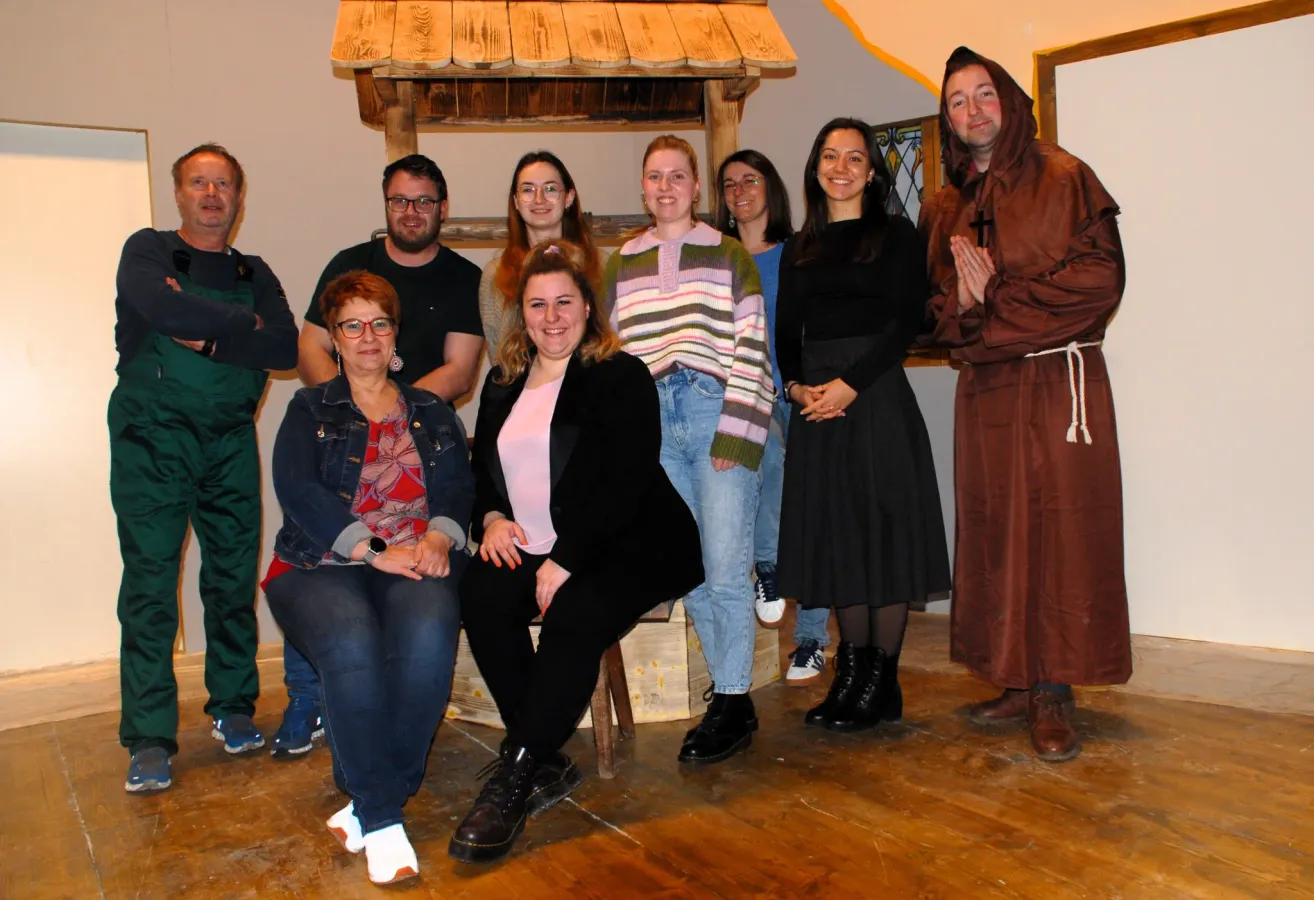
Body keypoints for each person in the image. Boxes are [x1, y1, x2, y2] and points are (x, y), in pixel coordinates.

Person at [450, 241, 703, 863]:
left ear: (589, 308)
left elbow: (627, 478)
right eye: (538, 304)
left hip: (628, 542)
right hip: (532, 540)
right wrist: (490, 517)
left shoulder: (619, 375)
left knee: (574, 616)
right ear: (522, 314)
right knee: (481, 595)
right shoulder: (503, 381)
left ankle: (514, 775)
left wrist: (568, 559)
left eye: (565, 301)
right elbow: (484, 467)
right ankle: (546, 757)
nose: (552, 316)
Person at [920, 47, 1131, 762]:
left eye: (983, 94)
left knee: (1060, 533)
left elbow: (1099, 282)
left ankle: (1054, 690)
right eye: (957, 100)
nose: (972, 109)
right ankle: (1014, 674)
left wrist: (995, 301)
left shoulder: (1064, 175)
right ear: (947, 117)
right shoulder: (949, 204)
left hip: (1055, 388)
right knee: (997, 532)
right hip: (986, 394)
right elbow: (938, 315)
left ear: (1008, 100)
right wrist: (968, 306)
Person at [264, 270, 473, 885]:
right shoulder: (309, 408)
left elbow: (458, 485)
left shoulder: (432, 411)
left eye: (379, 323)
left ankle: (371, 797)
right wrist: (373, 547)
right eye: (352, 325)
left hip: (416, 555)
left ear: (394, 333)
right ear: (333, 337)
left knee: (432, 634)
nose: (366, 336)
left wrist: (438, 535)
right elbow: (298, 490)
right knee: (351, 642)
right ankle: (382, 819)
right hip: (317, 564)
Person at [271, 153, 483, 759]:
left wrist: (404, 409)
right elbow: (310, 344)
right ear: (385, 204)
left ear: (441, 207)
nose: (411, 211)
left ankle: (377, 774)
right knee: (329, 579)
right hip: (342, 456)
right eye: (399, 200)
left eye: (422, 201)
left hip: (414, 440)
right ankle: (307, 701)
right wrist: (346, 402)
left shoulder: (461, 276)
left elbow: (461, 368)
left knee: (417, 630)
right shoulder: (348, 266)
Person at [111, 143, 298, 794]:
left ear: (239, 199)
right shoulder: (148, 252)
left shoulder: (255, 270)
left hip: (228, 439)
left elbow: (284, 347)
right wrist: (243, 321)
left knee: (230, 578)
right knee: (152, 584)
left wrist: (220, 334)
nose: (212, 194)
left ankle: (234, 707)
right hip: (152, 435)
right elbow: (162, 309)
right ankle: (149, 737)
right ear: (179, 192)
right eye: (199, 182)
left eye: (224, 184)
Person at [775, 118, 950, 732]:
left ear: (872, 172)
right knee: (837, 538)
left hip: (874, 398)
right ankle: (850, 675)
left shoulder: (897, 235)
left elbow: (906, 323)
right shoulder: (801, 246)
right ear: (815, 167)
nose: (841, 167)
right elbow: (786, 335)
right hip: (817, 405)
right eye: (829, 155)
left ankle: (883, 681)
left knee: (883, 537)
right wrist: (797, 388)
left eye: (854, 157)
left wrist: (848, 385)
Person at [604, 135, 775, 765]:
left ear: (696, 187)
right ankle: (733, 699)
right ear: (643, 187)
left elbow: (754, 344)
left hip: (712, 408)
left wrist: (737, 428)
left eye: (679, 176)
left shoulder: (729, 253)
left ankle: (730, 698)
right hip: (651, 420)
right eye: (655, 177)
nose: (666, 187)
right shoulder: (619, 262)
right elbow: (610, 359)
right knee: (689, 567)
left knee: (727, 567)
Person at [716, 149, 832, 684]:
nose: (740, 191)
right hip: (738, 402)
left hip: (798, 396)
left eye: (751, 180)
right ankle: (765, 570)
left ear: (772, 188)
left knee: (812, 518)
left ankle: (811, 639)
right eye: (729, 183)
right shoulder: (713, 258)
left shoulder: (799, 255)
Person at [478, 150, 604, 356]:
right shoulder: (495, 274)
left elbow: (610, 336)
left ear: (569, 198)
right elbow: (498, 352)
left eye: (550, 189)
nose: (539, 199)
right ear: (516, 201)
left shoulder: (601, 264)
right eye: (528, 190)